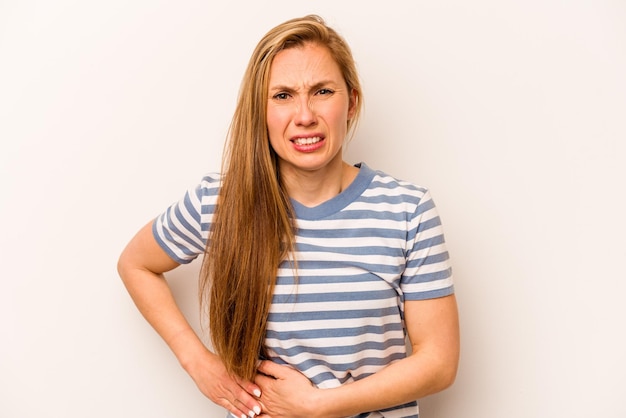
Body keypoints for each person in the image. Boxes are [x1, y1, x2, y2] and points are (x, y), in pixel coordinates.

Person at [117, 14, 460, 418]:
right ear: (260, 110)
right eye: (282, 96)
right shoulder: (222, 203)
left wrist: (319, 405)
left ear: (350, 102)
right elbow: (135, 264)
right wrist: (198, 364)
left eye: (322, 91)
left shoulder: (406, 209)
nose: (304, 115)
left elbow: (439, 362)